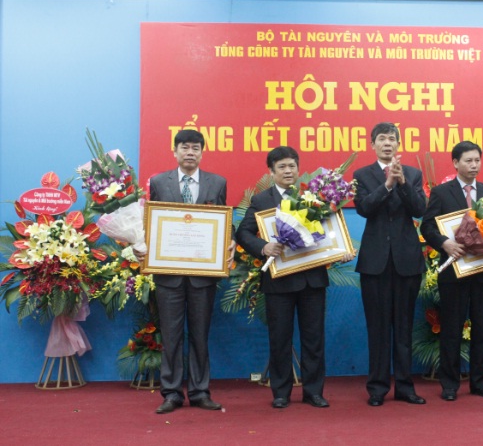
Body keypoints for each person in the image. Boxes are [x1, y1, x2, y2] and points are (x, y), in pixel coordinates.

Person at [236, 146, 353, 409]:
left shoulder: (313, 196)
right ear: (271, 171)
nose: (288, 171)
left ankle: (314, 392)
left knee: (314, 338)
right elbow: (243, 233)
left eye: (292, 166)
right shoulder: (261, 200)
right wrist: (263, 247)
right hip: (279, 281)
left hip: (312, 280)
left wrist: (341, 251)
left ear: (298, 169)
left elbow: (329, 233)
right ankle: (281, 393)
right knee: (279, 338)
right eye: (282, 167)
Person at [149, 129, 233, 414]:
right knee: (171, 336)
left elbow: (224, 220)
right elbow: (152, 221)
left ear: (202, 153)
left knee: (200, 335)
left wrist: (231, 239)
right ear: (174, 151)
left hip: (202, 275)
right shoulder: (159, 182)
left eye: (195, 148)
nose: (190, 152)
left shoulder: (217, 182)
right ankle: (171, 393)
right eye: (184, 147)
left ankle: (199, 392)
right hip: (168, 275)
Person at [353, 122, 428, 407]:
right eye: (382, 139)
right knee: (378, 328)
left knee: (404, 327)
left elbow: (419, 210)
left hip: (407, 261)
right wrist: (387, 185)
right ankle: (377, 388)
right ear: (372, 144)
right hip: (375, 262)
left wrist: (403, 183)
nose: (387, 143)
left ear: (398, 144)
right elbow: (364, 208)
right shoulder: (362, 175)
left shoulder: (413, 174)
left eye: (392, 139)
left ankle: (405, 387)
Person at [420, 141, 483, 402]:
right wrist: (445, 243)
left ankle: (481, 383)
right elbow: (427, 227)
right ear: (455, 163)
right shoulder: (441, 193)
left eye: (477, 160)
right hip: (453, 272)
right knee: (451, 329)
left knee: (482, 328)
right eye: (468, 160)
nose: (474, 165)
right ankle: (450, 384)